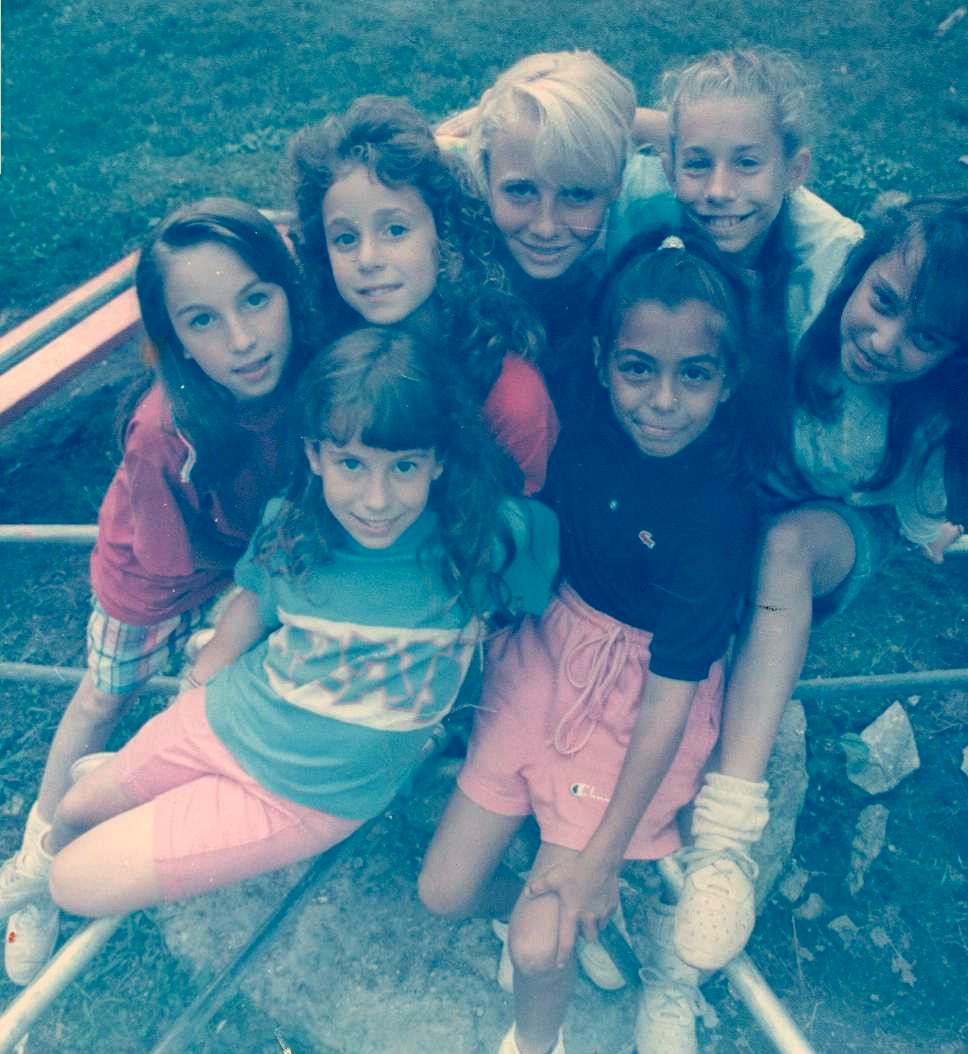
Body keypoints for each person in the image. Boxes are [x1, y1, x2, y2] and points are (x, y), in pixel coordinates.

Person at [4, 328, 558, 928]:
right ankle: (30, 881)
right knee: (76, 807)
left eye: (403, 467)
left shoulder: (487, 539)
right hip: (229, 715)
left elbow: (530, 626)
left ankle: (66, 872)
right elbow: (253, 605)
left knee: (75, 883)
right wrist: (202, 678)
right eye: (351, 464)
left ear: (438, 460)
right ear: (315, 456)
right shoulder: (293, 526)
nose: (377, 500)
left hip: (302, 797)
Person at [672, 196, 968, 1000]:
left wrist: (930, 525)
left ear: (958, 353)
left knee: (782, 549)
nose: (885, 341)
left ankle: (728, 832)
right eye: (884, 302)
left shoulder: (934, 416)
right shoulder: (822, 250)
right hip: (747, 493)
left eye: (925, 338)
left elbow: (917, 515)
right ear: (863, 263)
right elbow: (753, 162)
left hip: (832, 530)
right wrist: (645, 134)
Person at [418, 232, 770, 1054]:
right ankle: (558, 905)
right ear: (604, 364)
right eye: (639, 369)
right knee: (443, 892)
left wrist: (604, 856)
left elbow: (670, 698)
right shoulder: (579, 416)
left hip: (634, 698)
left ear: (728, 382)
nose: (662, 401)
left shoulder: (719, 514)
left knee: (540, 945)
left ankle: (537, 1037)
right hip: (547, 654)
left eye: (695, 375)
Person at [0, 197, 311, 984]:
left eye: (255, 300)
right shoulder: (161, 430)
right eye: (203, 321)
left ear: (290, 289)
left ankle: (153, 799)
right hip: (153, 577)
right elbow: (178, 556)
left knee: (213, 694)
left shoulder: (316, 379)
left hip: (248, 563)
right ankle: (36, 867)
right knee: (103, 698)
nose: (242, 339)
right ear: (172, 339)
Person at [289, 95, 558, 495]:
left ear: (444, 235)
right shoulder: (319, 351)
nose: (368, 259)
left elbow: (518, 521)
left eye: (395, 230)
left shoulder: (510, 396)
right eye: (345, 238)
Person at [609, 47, 864, 348]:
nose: (718, 191)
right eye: (698, 163)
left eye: (747, 163)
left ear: (794, 172)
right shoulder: (632, 205)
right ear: (670, 171)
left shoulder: (828, 259)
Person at [453, 50, 636, 410]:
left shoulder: (648, 208)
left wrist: (637, 122)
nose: (546, 227)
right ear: (483, 170)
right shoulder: (446, 199)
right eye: (521, 190)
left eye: (577, 194)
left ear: (617, 181)